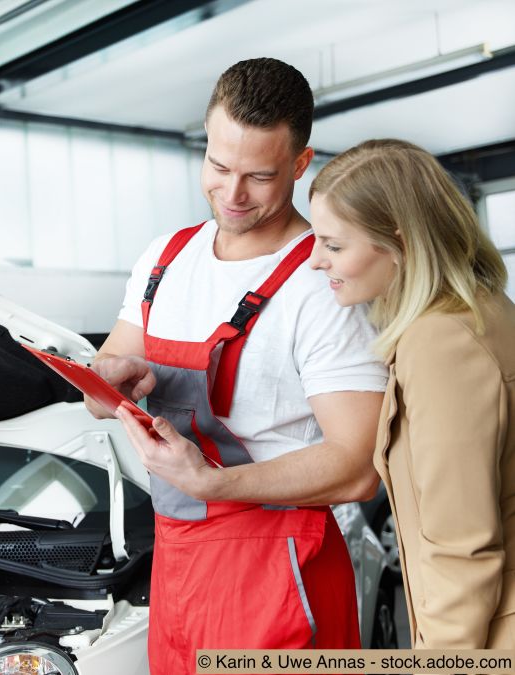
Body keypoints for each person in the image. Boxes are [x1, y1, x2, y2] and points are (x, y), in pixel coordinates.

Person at [88, 58, 388, 673]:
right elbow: (100, 389)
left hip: (279, 570)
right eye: (219, 167)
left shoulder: (323, 281)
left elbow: (359, 468)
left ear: (300, 165)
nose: (232, 194)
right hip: (178, 561)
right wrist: (110, 380)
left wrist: (215, 484)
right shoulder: (166, 258)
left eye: (259, 176)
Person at [307, 138, 515, 648]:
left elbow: (462, 546)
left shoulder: (440, 341)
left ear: (397, 242)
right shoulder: (483, 309)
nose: (315, 261)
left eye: (334, 245)